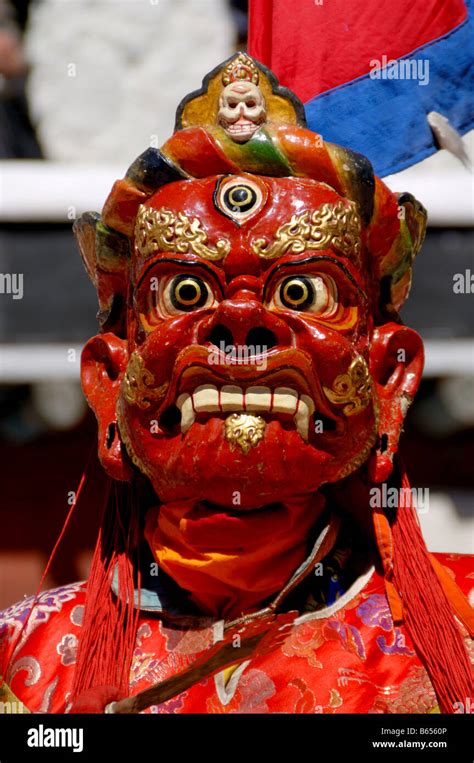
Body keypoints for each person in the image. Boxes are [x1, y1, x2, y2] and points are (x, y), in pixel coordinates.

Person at [0, 53, 472, 715]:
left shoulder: (466, 630)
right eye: (186, 291)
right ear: (110, 381)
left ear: (390, 376)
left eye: (304, 290)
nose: (241, 320)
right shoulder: (21, 664)